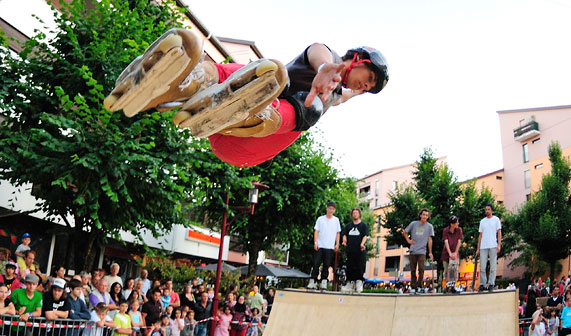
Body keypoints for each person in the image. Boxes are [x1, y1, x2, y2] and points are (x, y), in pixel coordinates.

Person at [104, 29, 389, 168]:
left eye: (370, 87)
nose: (366, 85)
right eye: (370, 77)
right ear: (358, 58)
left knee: (315, 105)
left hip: (250, 144)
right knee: (267, 72)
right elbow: (318, 50)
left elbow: (347, 94)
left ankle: (253, 112)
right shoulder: (327, 57)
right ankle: (185, 83)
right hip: (223, 131)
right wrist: (325, 68)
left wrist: (350, 93)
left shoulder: (337, 94)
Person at [308, 202, 341, 290]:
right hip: (320, 245)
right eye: (329, 208)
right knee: (316, 264)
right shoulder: (320, 219)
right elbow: (316, 231)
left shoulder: (336, 220)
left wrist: (337, 244)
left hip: (329, 246)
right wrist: (315, 242)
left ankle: (324, 281)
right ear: (327, 208)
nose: (331, 210)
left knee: (326, 265)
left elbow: (338, 233)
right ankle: (313, 280)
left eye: (332, 209)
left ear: (334, 210)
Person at [402, 209, 435, 293]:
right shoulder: (414, 224)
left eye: (426, 215)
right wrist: (408, 241)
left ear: (428, 217)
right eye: (423, 214)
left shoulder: (429, 227)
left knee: (421, 269)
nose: (424, 216)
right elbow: (405, 232)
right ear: (420, 215)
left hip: (422, 251)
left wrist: (430, 252)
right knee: (413, 270)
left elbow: (430, 239)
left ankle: (420, 285)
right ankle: (413, 286)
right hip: (413, 250)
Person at [341, 207, 369, 293]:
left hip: (359, 250)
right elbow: (344, 234)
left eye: (356, 213)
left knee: (359, 266)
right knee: (350, 266)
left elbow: (365, 235)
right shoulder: (348, 226)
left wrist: (362, 243)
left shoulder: (363, 225)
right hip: (350, 250)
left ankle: (359, 282)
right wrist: (344, 241)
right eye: (354, 213)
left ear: (359, 214)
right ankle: (350, 282)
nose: (355, 214)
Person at [477, 203, 502, 292]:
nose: (487, 211)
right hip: (483, 245)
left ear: (491, 210)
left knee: (493, 266)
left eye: (488, 209)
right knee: (482, 266)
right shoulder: (482, 221)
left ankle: (491, 283)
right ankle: (483, 283)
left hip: (493, 245)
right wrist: (478, 248)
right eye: (486, 209)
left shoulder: (496, 220)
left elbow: (499, 233)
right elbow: (480, 235)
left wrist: (499, 245)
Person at [441, 215, 463, 291]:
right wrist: (450, 253)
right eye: (456, 222)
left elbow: (459, 241)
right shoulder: (446, 230)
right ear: (452, 224)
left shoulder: (459, 230)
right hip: (446, 254)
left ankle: (453, 286)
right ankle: (445, 286)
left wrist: (455, 252)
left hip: (455, 254)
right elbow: (446, 241)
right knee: (447, 271)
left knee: (455, 270)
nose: (458, 224)